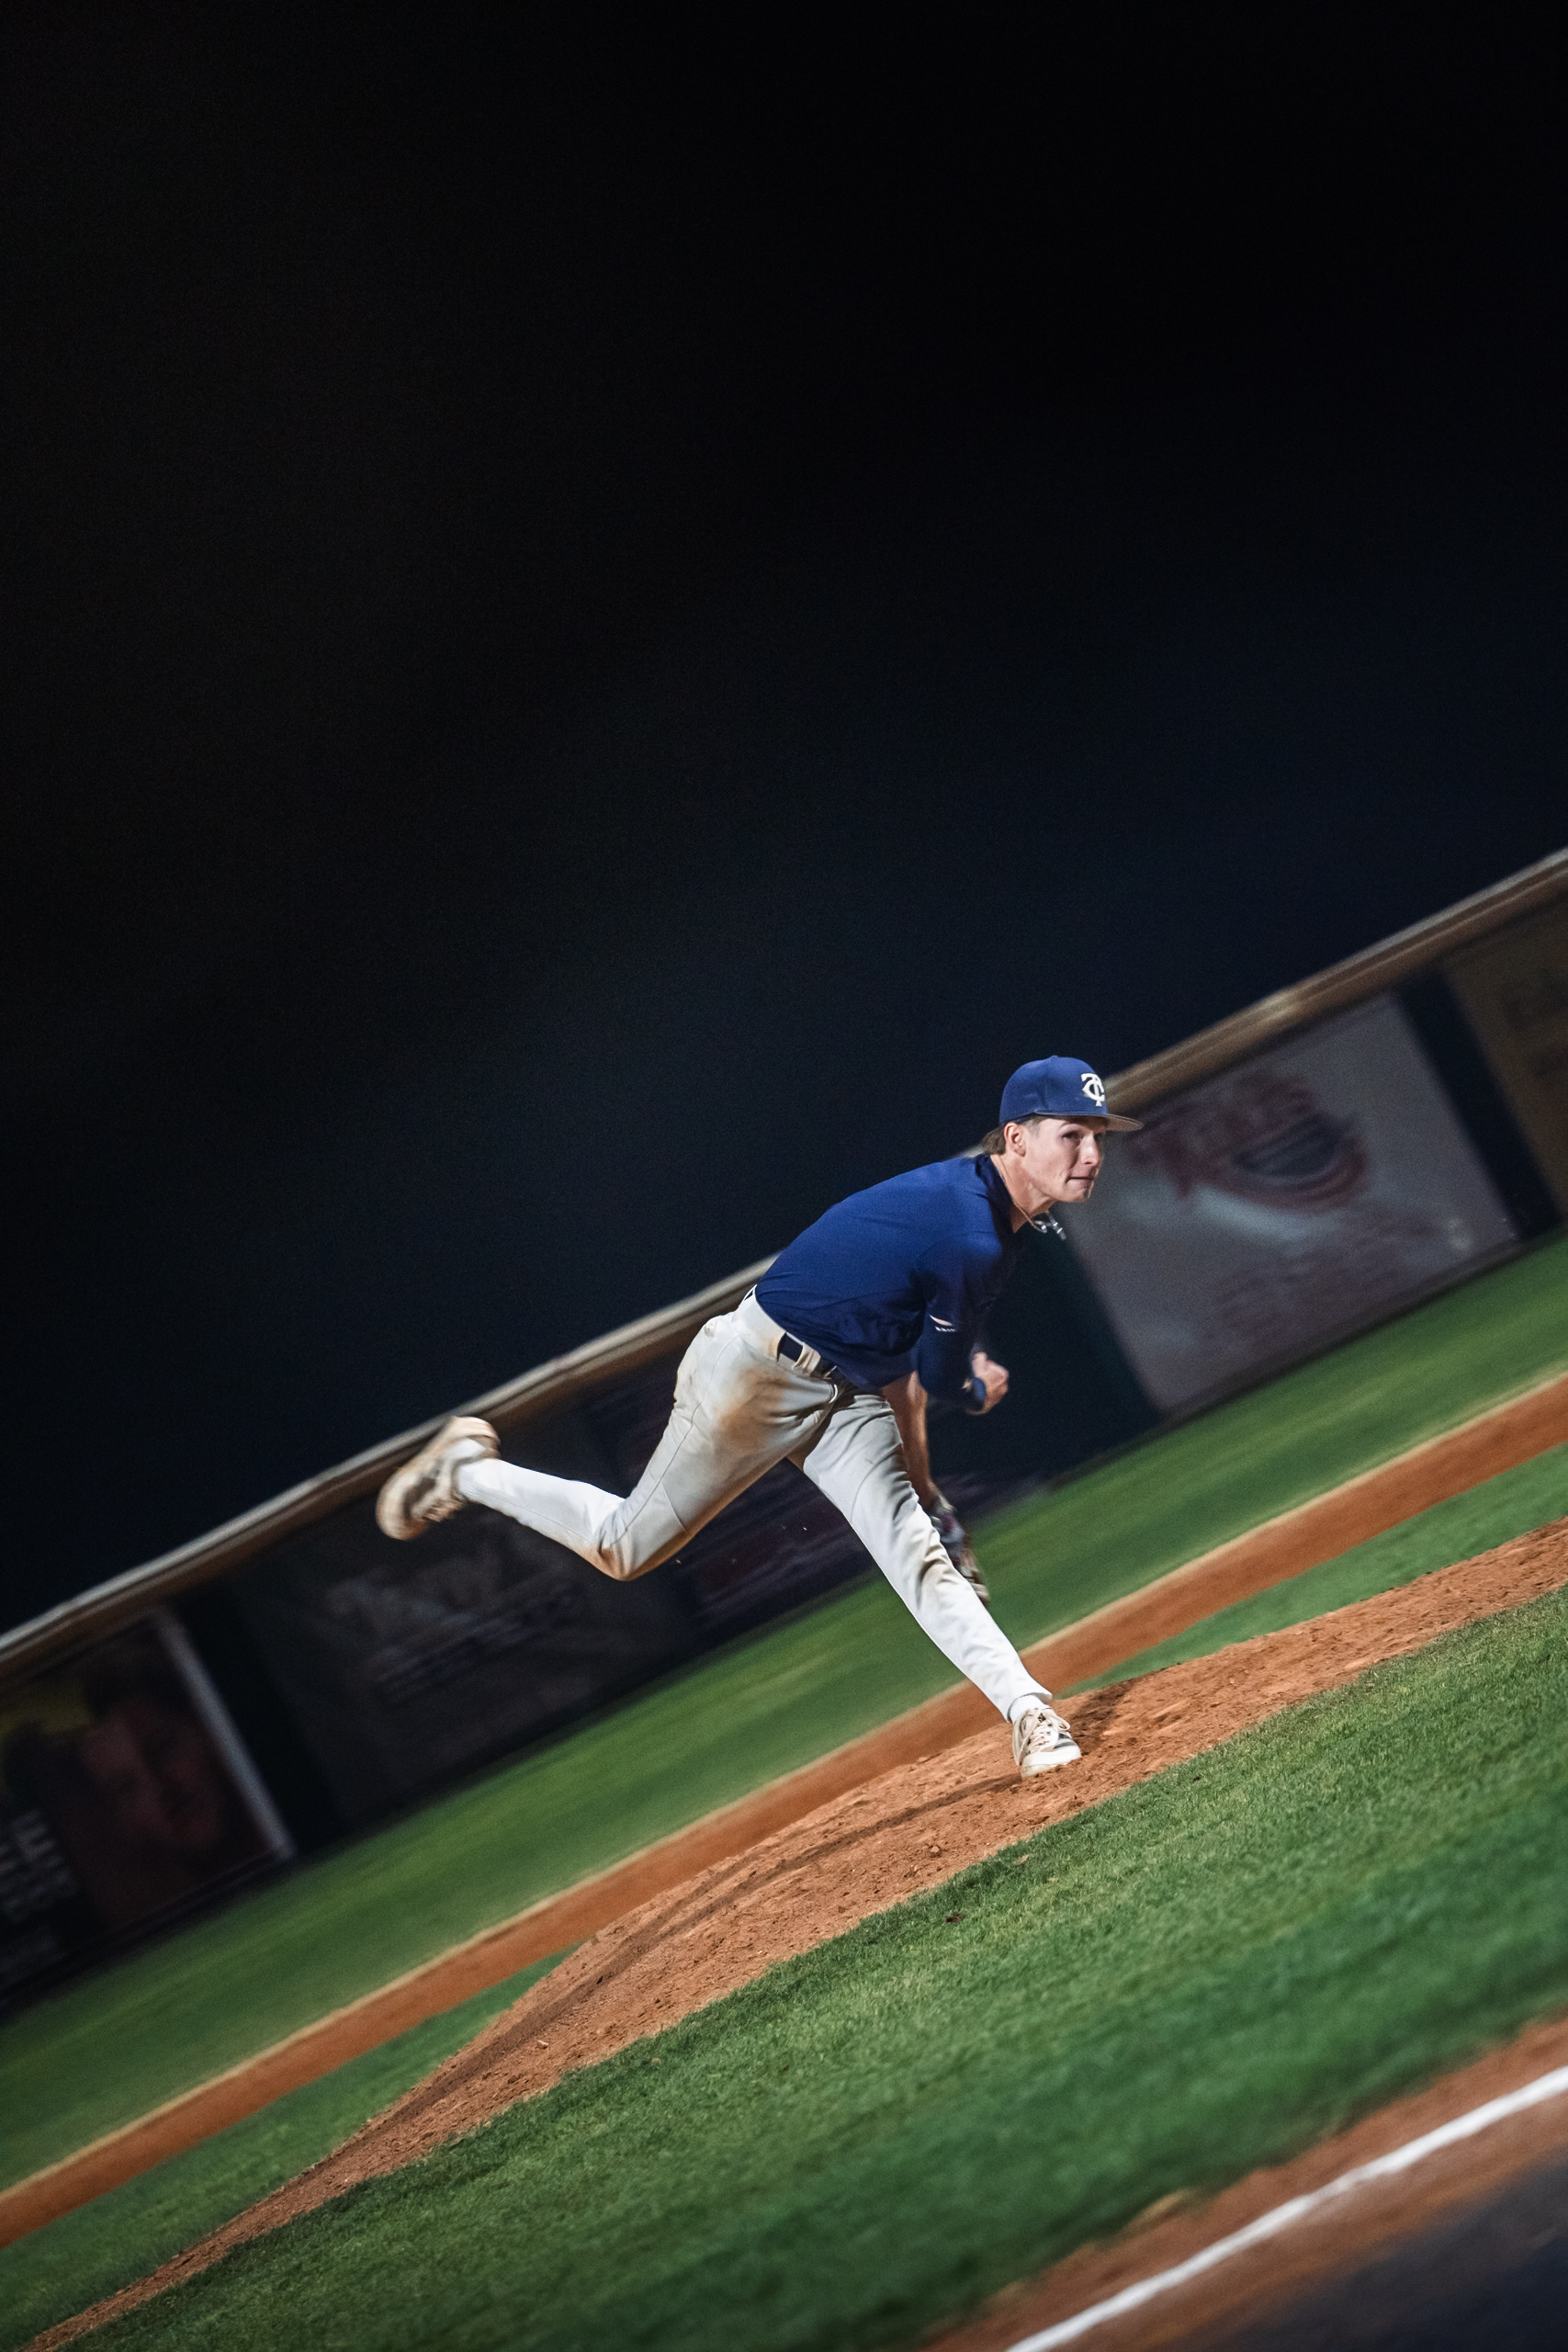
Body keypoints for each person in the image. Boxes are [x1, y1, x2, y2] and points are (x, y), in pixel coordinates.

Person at [377, 1057, 1139, 1778]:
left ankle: (1028, 1712)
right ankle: (470, 1471)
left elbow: (902, 1374)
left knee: (914, 1550)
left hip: (845, 1396)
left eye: (1096, 1137)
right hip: (754, 1375)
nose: (1089, 1154)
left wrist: (926, 1493)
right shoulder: (971, 1236)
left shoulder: (978, 1214)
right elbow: (939, 1375)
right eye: (1070, 1134)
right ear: (1016, 1138)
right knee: (624, 1547)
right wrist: (972, 1390)